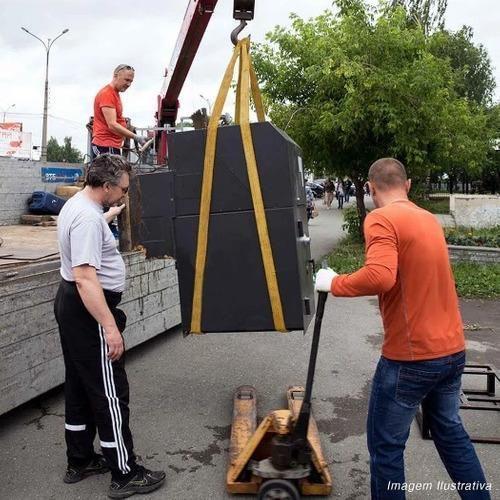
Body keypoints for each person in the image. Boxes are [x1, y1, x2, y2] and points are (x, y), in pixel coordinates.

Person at [315, 158, 490, 499]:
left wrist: (333, 282)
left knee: (386, 447)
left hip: (411, 358)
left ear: (370, 187)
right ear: (407, 185)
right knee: (451, 434)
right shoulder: (427, 218)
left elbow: (381, 275)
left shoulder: (381, 218)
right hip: (452, 351)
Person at [54, 154, 166, 499]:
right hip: (89, 309)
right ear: (106, 186)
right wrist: (109, 327)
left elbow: (89, 230)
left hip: (71, 305)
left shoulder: (80, 206)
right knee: (110, 391)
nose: (124, 195)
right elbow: (87, 279)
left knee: (79, 383)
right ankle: (125, 472)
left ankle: (81, 459)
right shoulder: (88, 220)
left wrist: (108, 218)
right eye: (122, 190)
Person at [91, 64, 148, 159]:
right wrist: (136, 137)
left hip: (112, 146)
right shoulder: (107, 94)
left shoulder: (114, 93)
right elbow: (112, 125)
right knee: (110, 174)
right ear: (115, 75)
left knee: (118, 173)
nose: (129, 84)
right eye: (126, 80)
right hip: (104, 146)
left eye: (131, 81)